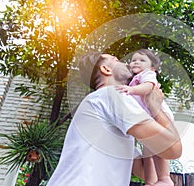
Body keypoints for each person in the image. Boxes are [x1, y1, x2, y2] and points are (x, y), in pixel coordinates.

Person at [46, 52, 182, 186]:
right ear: (106, 69)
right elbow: (172, 149)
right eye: (116, 60)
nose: (127, 63)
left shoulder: (102, 108)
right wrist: (156, 109)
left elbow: (143, 170)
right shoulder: (111, 95)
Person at [116, 49, 174, 186]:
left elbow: (149, 87)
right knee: (148, 152)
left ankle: (165, 178)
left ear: (152, 68)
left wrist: (132, 90)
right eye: (134, 60)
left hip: (158, 114)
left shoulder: (147, 75)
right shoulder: (133, 79)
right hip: (148, 118)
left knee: (158, 147)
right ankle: (150, 181)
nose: (136, 62)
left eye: (142, 60)